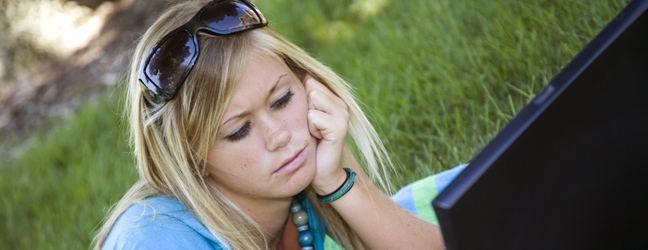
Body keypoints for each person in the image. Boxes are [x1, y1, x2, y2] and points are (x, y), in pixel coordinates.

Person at [93, 0, 464, 249]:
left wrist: (338, 183)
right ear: (191, 160)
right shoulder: (155, 241)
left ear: (306, 82)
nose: (281, 135)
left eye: (282, 99)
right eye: (238, 130)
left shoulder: (310, 148)